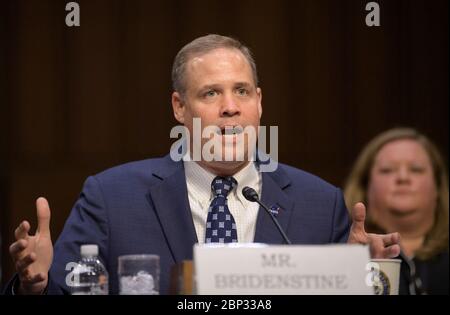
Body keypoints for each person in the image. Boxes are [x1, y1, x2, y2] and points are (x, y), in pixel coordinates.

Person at [6, 34, 400, 295]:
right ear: (180, 107)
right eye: (211, 93)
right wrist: (35, 288)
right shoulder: (111, 198)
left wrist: (358, 279)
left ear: (259, 102)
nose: (230, 106)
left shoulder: (321, 204)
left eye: (242, 91)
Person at [344, 128, 449, 295]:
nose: (402, 177)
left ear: (437, 186)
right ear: (365, 186)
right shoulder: (341, 247)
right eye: (387, 170)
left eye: (416, 169)